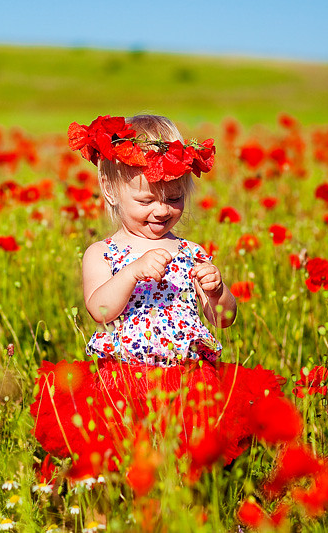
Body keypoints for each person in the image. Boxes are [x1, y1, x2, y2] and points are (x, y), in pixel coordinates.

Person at [30, 114, 285, 474]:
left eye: (175, 198)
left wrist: (218, 291)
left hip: (187, 382)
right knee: (120, 466)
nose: (162, 210)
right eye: (147, 200)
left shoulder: (191, 251)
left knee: (184, 471)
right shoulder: (103, 253)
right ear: (110, 189)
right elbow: (100, 309)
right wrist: (132, 273)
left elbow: (223, 320)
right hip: (123, 383)